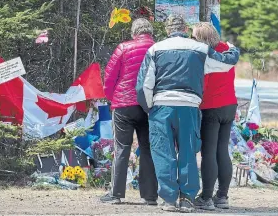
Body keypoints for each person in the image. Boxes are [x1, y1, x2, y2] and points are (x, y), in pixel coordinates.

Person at [136, 15, 240, 213]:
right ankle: (187, 199)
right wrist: (233, 48)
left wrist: (150, 107)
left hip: (162, 107)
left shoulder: (155, 49)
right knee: (188, 153)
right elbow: (226, 62)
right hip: (189, 107)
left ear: (167, 30)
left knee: (163, 153)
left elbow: (143, 85)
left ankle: (169, 199)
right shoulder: (199, 49)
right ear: (184, 29)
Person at [100, 18, 158, 204]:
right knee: (148, 149)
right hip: (149, 105)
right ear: (150, 32)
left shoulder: (123, 48)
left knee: (122, 148)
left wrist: (112, 97)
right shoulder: (158, 48)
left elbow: (109, 77)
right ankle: (149, 196)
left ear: (134, 33)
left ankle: (116, 194)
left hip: (123, 104)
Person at [192, 22, 237, 210]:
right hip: (230, 105)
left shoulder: (206, 55)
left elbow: (204, 83)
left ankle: (206, 198)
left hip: (211, 107)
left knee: (208, 152)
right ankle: (223, 196)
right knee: (222, 150)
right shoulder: (228, 50)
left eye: (194, 37)